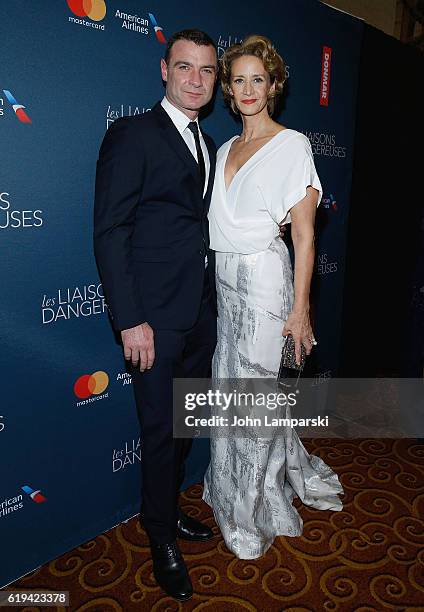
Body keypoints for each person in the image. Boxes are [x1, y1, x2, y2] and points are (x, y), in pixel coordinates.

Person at [203, 35, 343, 559]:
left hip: (265, 283)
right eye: (237, 79)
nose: (246, 89)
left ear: (273, 85)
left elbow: (305, 236)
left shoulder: (293, 145)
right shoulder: (222, 150)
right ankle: (230, 490)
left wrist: (300, 308)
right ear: (229, 90)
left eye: (256, 79)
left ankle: (256, 504)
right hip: (226, 285)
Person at [94, 30, 219, 601]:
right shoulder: (132, 134)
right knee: (161, 432)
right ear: (163, 69)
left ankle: (168, 514)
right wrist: (130, 319)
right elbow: (111, 231)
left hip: (199, 313)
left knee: (186, 426)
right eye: (186, 68)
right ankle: (160, 537)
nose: (197, 79)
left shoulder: (207, 141)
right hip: (154, 321)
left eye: (208, 71)